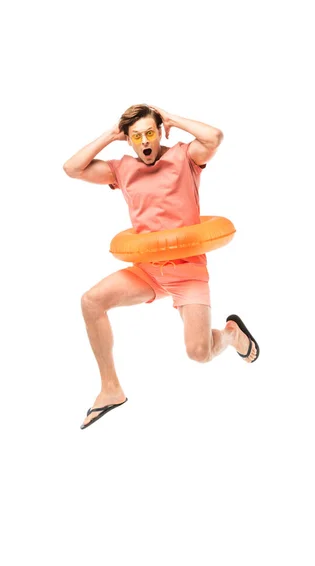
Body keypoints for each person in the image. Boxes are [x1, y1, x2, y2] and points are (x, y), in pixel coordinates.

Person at [63, 104, 259, 429]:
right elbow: (72, 168)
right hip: (147, 271)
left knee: (199, 352)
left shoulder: (185, 157)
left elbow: (214, 137)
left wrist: (173, 119)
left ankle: (231, 335)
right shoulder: (121, 169)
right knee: (91, 301)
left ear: (160, 132)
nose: (145, 141)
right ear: (129, 140)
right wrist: (111, 134)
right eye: (137, 136)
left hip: (188, 271)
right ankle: (111, 389)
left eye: (150, 132)